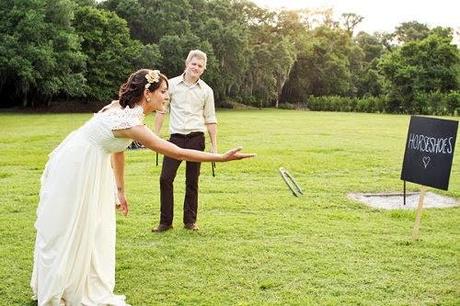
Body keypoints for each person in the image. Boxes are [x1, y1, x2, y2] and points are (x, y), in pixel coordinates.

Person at [31, 69, 254, 306]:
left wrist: (120, 190)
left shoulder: (122, 110)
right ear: (148, 94)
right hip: (77, 165)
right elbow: (176, 151)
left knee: (91, 226)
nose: (167, 97)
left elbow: (117, 148)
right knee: (69, 225)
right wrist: (220, 157)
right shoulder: (131, 123)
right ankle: (56, 287)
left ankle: (71, 283)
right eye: (164, 92)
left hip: (87, 160)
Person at [153, 50, 217, 232]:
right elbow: (161, 110)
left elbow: (211, 119)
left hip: (196, 139)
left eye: (200, 65)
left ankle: (190, 221)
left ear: (203, 69)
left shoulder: (207, 91)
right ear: (187, 64)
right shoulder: (171, 85)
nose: (196, 67)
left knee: (192, 181)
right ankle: (165, 222)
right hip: (175, 139)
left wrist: (214, 146)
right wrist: (155, 137)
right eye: (193, 64)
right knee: (165, 179)